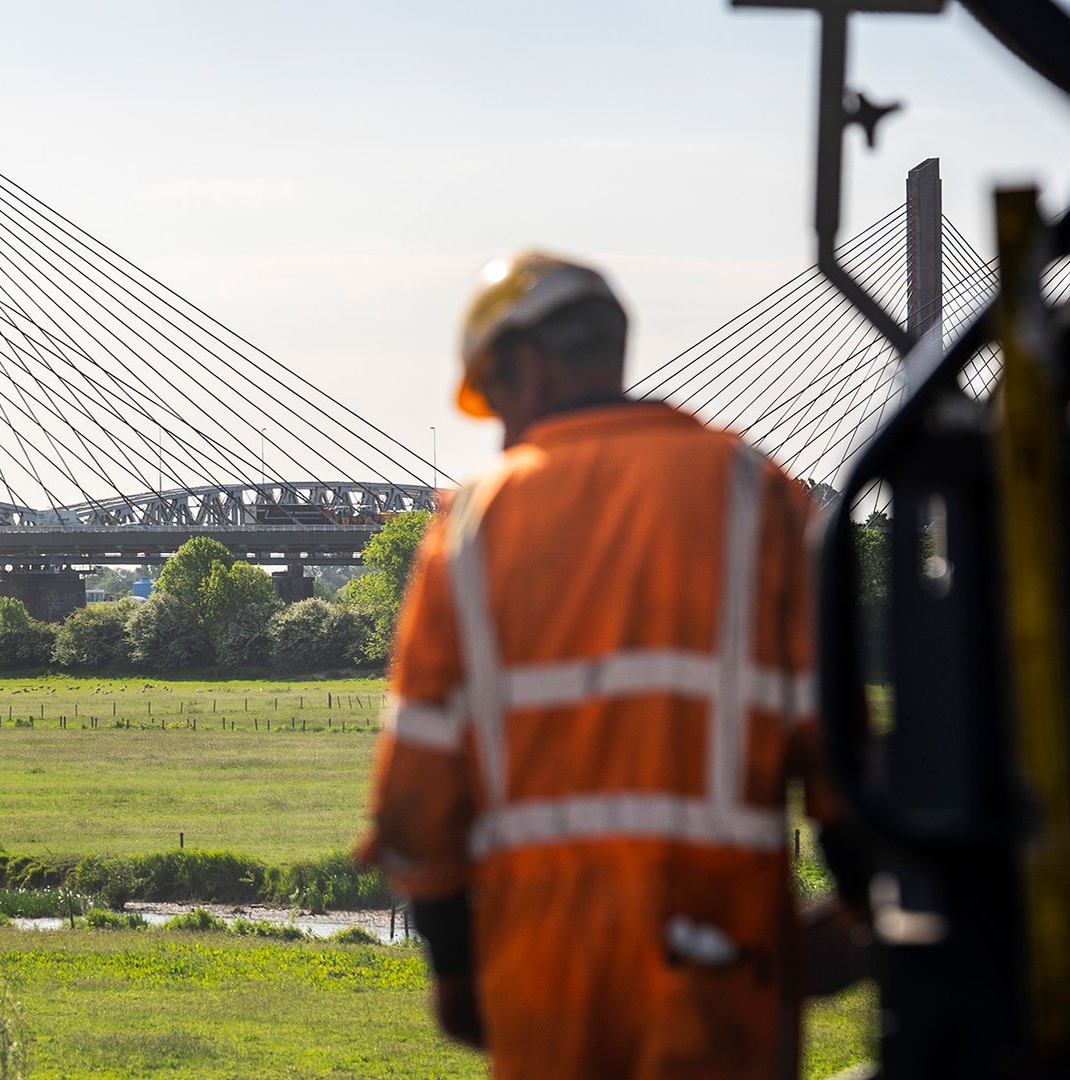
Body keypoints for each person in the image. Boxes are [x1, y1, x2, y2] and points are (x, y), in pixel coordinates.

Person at [359, 252, 867, 1078]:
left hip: (546, 987)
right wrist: (857, 903)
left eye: (494, 399)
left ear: (524, 365)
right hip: (725, 970)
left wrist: (453, 967)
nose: (501, 427)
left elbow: (416, 795)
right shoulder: (761, 495)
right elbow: (841, 749)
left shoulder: (473, 528)